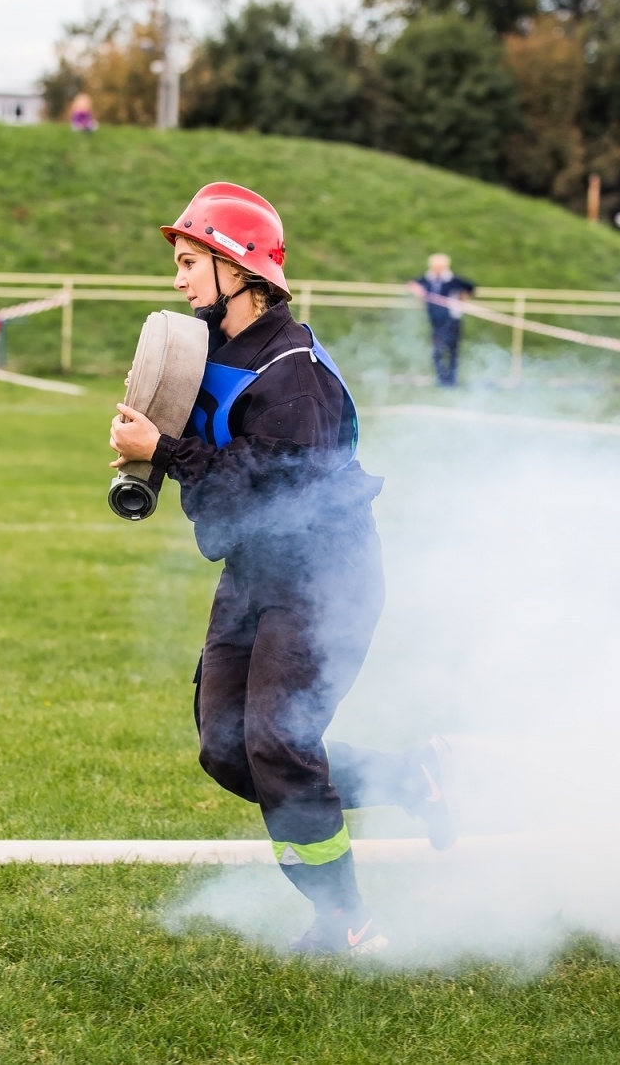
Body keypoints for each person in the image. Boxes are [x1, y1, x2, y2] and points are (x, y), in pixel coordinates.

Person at [108, 182, 456, 956]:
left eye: (191, 261)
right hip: (254, 573)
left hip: (323, 578)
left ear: (241, 269)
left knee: (276, 745)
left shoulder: (293, 370)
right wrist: (146, 445)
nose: (180, 278)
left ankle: (348, 921)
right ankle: (415, 779)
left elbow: (263, 490)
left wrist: (161, 452)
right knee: (227, 751)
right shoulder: (207, 348)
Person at [406, 253, 475, 387]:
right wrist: (417, 290)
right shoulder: (428, 279)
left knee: (452, 350)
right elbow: (412, 284)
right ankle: (441, 379)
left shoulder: (452, 280)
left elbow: (471, 287)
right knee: (437, 351)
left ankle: (452, 380)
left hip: (452, 319)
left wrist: (461, 299)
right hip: (436, 321)